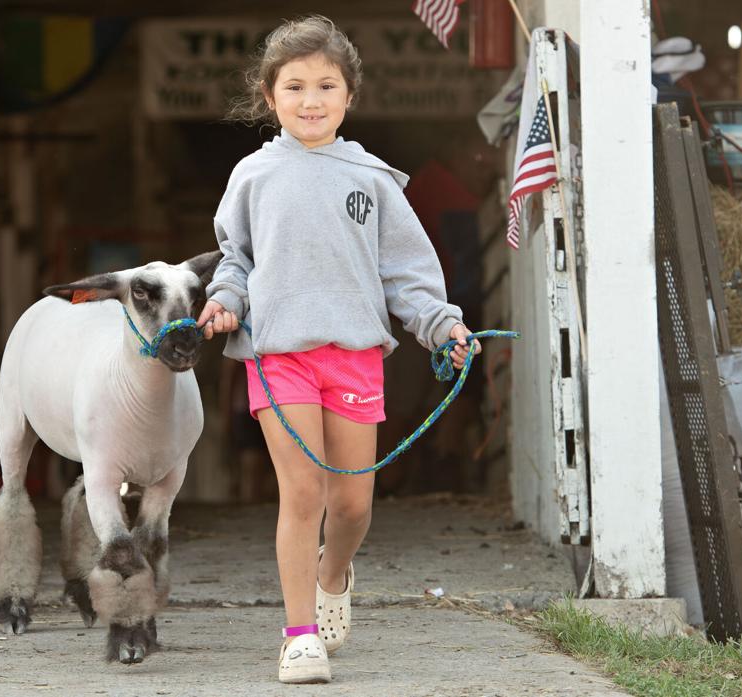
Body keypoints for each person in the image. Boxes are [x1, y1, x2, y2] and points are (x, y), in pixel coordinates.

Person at [196, 16, 480, 684]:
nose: (310, 99)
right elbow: (233, 261)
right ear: (270, 97)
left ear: (349, 95)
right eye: (294, 86)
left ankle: (332, 573)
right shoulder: (252, 176)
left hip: (352, 353)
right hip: (279, 355)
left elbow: (406, 274)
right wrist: (224, 301)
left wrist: (443, 325)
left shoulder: (373, 177)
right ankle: (299, 636)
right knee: (301, 494)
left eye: (326, 85)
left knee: (350, 505)